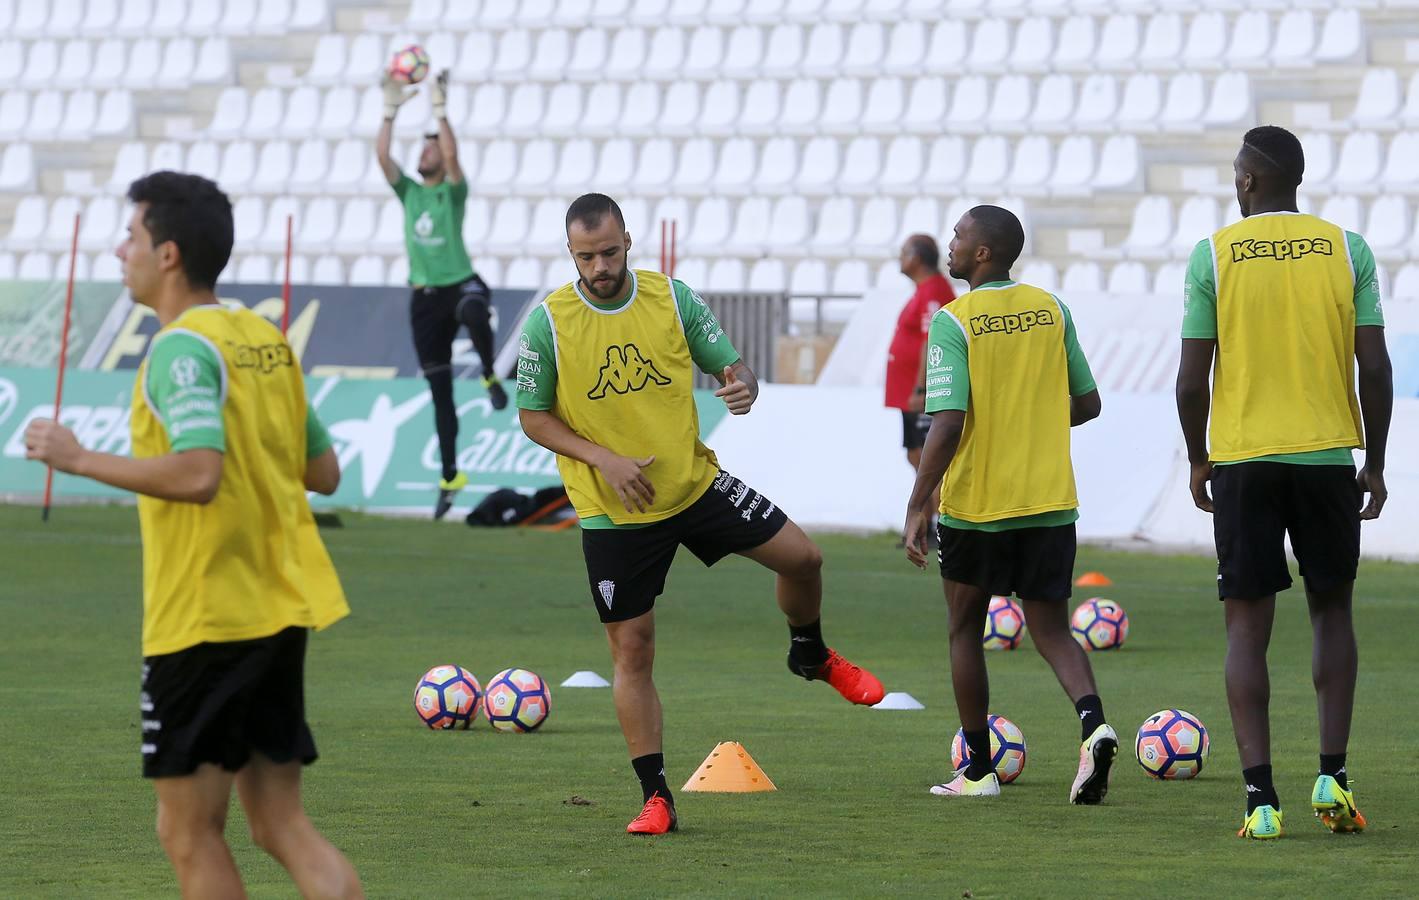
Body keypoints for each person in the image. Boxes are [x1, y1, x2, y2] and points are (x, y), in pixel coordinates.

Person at [24, 171, 363, 898]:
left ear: (168, 253)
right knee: (281, 826)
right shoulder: (264, 340)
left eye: (132, 236)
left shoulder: (180, 352)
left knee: (186, 831)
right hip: (278, 607)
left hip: (204, 620)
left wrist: (77, 458)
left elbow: (198, 474)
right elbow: (325, 470)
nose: (121, 251)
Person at [517, 193, 886, 836]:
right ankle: (656, 795)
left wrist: (742, 384)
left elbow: (732, 365)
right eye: (585, 256)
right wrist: (603, 458)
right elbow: (533, 417)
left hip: (694, 486)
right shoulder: (548, 323)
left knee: (804, 557)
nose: (599, 266)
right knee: (634, 650)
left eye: (608, 251)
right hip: (615, 513)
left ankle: (810, 652)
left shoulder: (672, 297)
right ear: (569, 253)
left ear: (628, 240)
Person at [1175, 126, 1392, 841]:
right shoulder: (1347, 249)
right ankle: (1332, 776)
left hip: (1242, 459)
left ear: (1245, 182)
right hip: (1326, 457)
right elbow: (1375, 367)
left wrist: (1198, 459)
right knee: (1331, 614)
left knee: (1245, 628)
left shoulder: (1212, 254)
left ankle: (1258, 801)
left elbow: (1190, 378)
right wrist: (1375, 462)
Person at [902, 205, 1116, 804]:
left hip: (978, 507)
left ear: (984, 254)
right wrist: (1034, 422)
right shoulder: (1051, 310)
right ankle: (1094, 725)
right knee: (1051, 629)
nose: (951, 243)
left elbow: (947, 423)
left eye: (960, 236)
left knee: (964, 630)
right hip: (1050, 502)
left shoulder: (955, 321)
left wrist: (920, 503)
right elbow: (1089, 402)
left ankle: (977, 771)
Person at [378, 68, 506, 520]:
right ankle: (450, 476)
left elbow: (453, 156)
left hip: (460, 282)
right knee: (440, 394)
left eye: (431, 145)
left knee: (474, 311)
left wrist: (439, 111)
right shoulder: (410, 193)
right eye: (424, 145)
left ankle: (490, 374)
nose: (426, 150)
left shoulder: (452, 192)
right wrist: (390, 111)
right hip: (424, 298)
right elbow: (382, 157)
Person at [886, 234, 956, 477]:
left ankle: (938, 515)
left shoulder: (933, 291)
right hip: (910, 392)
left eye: (904, 252)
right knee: (916, 455)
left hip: (920, 394)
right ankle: (925, 516)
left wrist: (922, 389)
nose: (900, 258)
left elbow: (934, 340)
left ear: (917, 258)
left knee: (930, 460)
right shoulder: (924, 290)